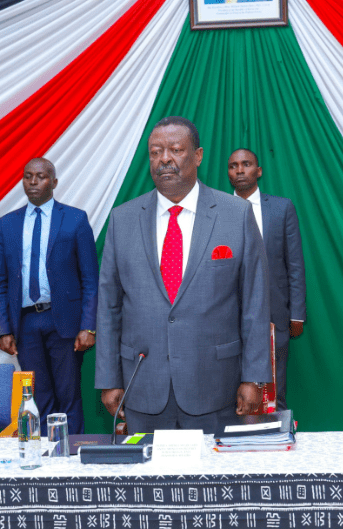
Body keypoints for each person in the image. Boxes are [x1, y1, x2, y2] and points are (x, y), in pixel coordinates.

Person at [95, 116, 271, 433]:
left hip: (216, 387)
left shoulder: (236, 215)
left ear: (198, 155)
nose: (164, 159)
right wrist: (108, 378)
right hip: (142, 386)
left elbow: (255, 302)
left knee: (214, 481)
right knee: (147, 481)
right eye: (155, 152)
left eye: (176, 149)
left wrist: (254, 377)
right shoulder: (122, 220)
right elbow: (108, 306)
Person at [0, 158, 98, 434]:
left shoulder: (74, 219)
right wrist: (3, 329)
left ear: (54, 182)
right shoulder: (7, 224)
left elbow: (90, 279)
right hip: (25, 324)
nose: (33, 182)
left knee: (69, 394)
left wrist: (88, 326)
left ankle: (72, 456)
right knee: (39, 395)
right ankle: (50, 458)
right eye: (28, 177)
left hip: (64, 321)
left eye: (40, 176)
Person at [228, 148, 306, 410]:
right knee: (231, 388)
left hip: (275, 312)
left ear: (258, 171)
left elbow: (294, 264)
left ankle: (276, 438)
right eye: (233, 166)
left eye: (246, 164)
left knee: (275, 387)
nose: (240, 170)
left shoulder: (282, 208)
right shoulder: (217, 210)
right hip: (227, 315)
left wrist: (297, 313)